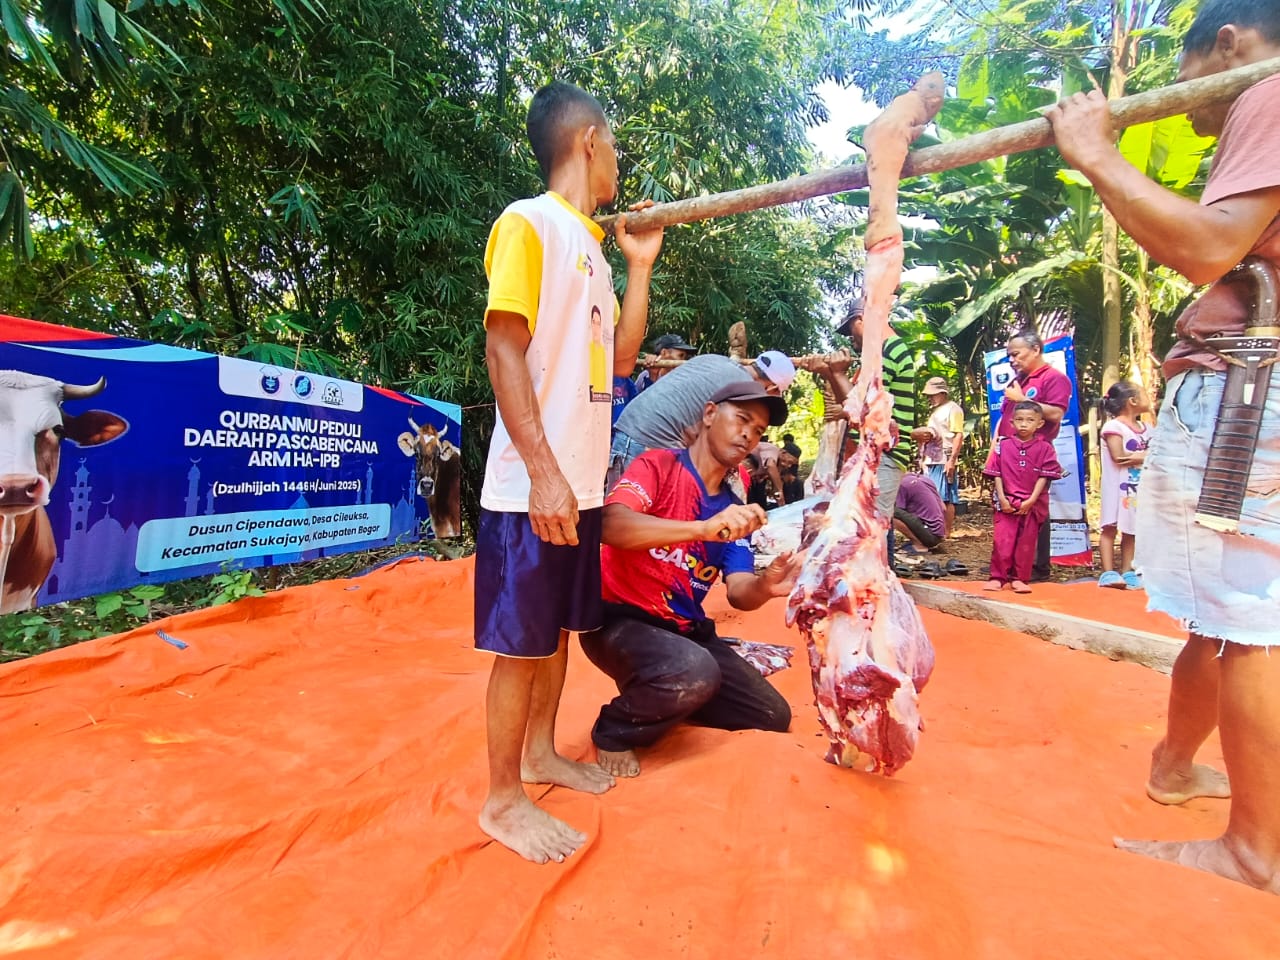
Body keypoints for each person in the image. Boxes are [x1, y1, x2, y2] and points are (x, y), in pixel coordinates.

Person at [1046, 0, 1280, 893]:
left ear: (1226, 44)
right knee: (1221, 615)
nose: (1184, 99)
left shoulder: (1267, 88)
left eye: (1186, 75)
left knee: (1255, 622)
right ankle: (1174, 765)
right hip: (1239, 390)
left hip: (1242, 391)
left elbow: (1209, 249)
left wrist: (1096, 151)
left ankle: (1255, 850)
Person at [475, 80, 664, 864]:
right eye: (614, 144)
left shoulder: (587, 243)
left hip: (579, 483)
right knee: (521, 643)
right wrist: (545, 474)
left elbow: (619, 360)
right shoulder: (529, 224)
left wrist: (641, 266)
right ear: (588, 140)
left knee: (551, 631)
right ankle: (501, 798)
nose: (618, 160)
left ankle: (541, 754)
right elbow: (503, 347)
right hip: (533, 486)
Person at [581, 381, 802, 777]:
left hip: (683, 632)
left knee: (772, 714)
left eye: (758, 432)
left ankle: (669, 693)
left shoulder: (735, 511)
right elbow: (610, 525)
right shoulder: (658, 466)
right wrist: (700, 529)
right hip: (618, 619)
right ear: (710, 414)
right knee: (695, 672)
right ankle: (614, 730)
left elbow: (738, 593)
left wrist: (766, 587)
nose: (748, 435)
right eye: (742, 419)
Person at [608, 349, 796, 489]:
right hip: (647, 442)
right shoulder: (743, 390)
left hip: (631, 430)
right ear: (772, 389)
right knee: (626, 522)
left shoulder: (716, 360)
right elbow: (710, 442)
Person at [827, 298, 916, 544]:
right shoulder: (876, 355)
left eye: (850, 330)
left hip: (884, 455)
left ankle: (880, 580)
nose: (851, 339)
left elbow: (867, 407)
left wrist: (835, 373)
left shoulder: (889, 349)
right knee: (865, 524)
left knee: (873, 529)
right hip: (871, 455)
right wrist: (832, 373)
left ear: (862, 319)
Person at [995, 330, 1075, 581]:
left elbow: (1056, 414)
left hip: (1036, 453)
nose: (1011, 360)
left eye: (1016, 354)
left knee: (1034, 508)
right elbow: (1005, 418)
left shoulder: (1054, 378)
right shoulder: (1018, 379)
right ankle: (1009, 566)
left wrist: (1021, 400)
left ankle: (1036, 567)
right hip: (1008, 452)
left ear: (1036, 350)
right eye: (1009, 355)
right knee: (1008, 507)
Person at [982, 401, 1063, 594]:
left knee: (1026, 543)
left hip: (1031, 503)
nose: (1024, 424)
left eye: (1030, 420)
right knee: (1003, 540)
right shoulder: (1003, 445)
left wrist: (1032, 500)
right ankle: (998, 577)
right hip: (1006, 500)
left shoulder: (1045, 448)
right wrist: (1001, 497)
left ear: (1040, 424)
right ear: (1011, 422)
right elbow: (996, 473)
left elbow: (1045, 476)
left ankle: (1019, 578)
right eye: (1019, 420)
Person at [1097, 380, 1151, 590]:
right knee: (1110, 526)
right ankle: (1108, 572)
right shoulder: (1113, 427)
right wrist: (1147, 456)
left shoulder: (1148, 428)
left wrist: (1140, 457)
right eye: (1144, 394)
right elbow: (1119, 456)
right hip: (1116, 486)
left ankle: (1128, 571)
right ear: (1133, 401)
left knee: (1132, 529)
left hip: (1139, 488)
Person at [912, 376, 965, 537]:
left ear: (943, 393)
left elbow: (958, 435)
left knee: (945, 498)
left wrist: (952, 460)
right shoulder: (936, 411)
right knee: (936, 495)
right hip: (932, 458)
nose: (930, 398)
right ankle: (939, 530)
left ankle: (945, 532)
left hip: (943, 458)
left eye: (933, 395)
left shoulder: (953, 409)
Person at [893, 471, 946, 552]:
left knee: (890, 512)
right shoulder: (925, 479)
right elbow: (943, 508)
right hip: (939, 534)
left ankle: (918, 544)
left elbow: (898, 511)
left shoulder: (902, 484)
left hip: (929, 536)